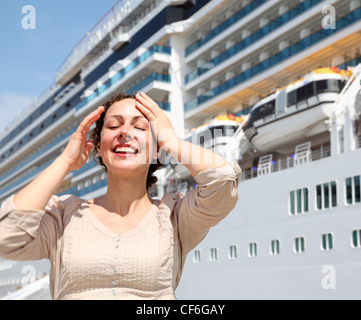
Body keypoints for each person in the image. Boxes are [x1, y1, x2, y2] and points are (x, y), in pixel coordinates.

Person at [0, 92, 242, 300]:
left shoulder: (175, 216)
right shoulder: (65, 215)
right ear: (98, 146)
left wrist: (171, 140)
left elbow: (222, 181)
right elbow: (6, 237)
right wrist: (64, 162)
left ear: (157, 148)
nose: (125, 132)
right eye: (114, 126)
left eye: (140, 127)